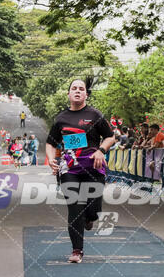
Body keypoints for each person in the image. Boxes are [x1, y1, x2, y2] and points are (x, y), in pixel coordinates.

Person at [46, 79, 115, 263]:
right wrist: (52, 159)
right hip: (70, 168)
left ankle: (89, 217)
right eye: (74, 88)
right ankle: (77, 250)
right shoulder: (61, 119)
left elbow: (110, 136)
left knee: (93, 210)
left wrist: (101, 150)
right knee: (75, 207)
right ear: (68, 94)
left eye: (81, 89)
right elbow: (51, 143)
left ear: (86, 94)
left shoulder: (95, 115)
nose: (77, 91)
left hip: (94, 166)